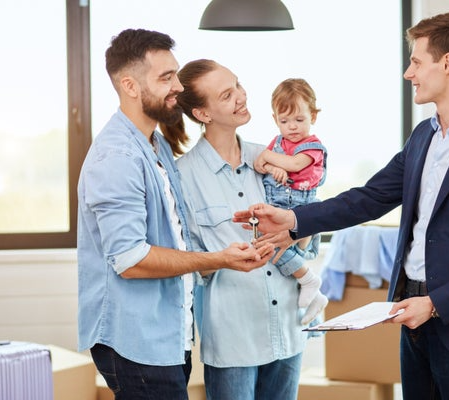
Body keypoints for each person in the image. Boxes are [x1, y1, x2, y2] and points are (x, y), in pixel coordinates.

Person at [234, 12, 449, 400]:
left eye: (416, 62)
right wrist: (295, 219)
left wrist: (435, 304)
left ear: (447, 63)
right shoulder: (423, 136)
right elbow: (369, 198)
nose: (408, 73)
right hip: (410, 316)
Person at [77, 29, 273, 400]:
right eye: (166, 78)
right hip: (135, 342)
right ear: (130, 86)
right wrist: (218, 259)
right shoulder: (117, 158)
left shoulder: (156, 145)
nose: (177, 87)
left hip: (166, 337)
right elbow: (130, 259)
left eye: (176, 75)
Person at [165, 59, 317, 400]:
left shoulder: (271, 158)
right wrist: (223, 259)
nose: (241, 96)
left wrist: (299, 227)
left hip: (288, 328)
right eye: (226, 94)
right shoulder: (183, 176)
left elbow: (305, 241)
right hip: (234, 337)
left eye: (238, 85)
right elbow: (184, 263)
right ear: (204, 114)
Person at [254, 78, 328, 313]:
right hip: (278, 205)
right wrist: (271, 167)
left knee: (275, 249)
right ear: (275, 120)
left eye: (299, 119)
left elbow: (295, 164)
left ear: (313, 117)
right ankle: (312, 290)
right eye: (284, 121)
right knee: (278, 251)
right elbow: (258, 163)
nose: (292, 127)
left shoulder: (313, 146)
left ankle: (308, 280)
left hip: (301, 207)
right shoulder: (277, 144)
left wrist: (269, 159)